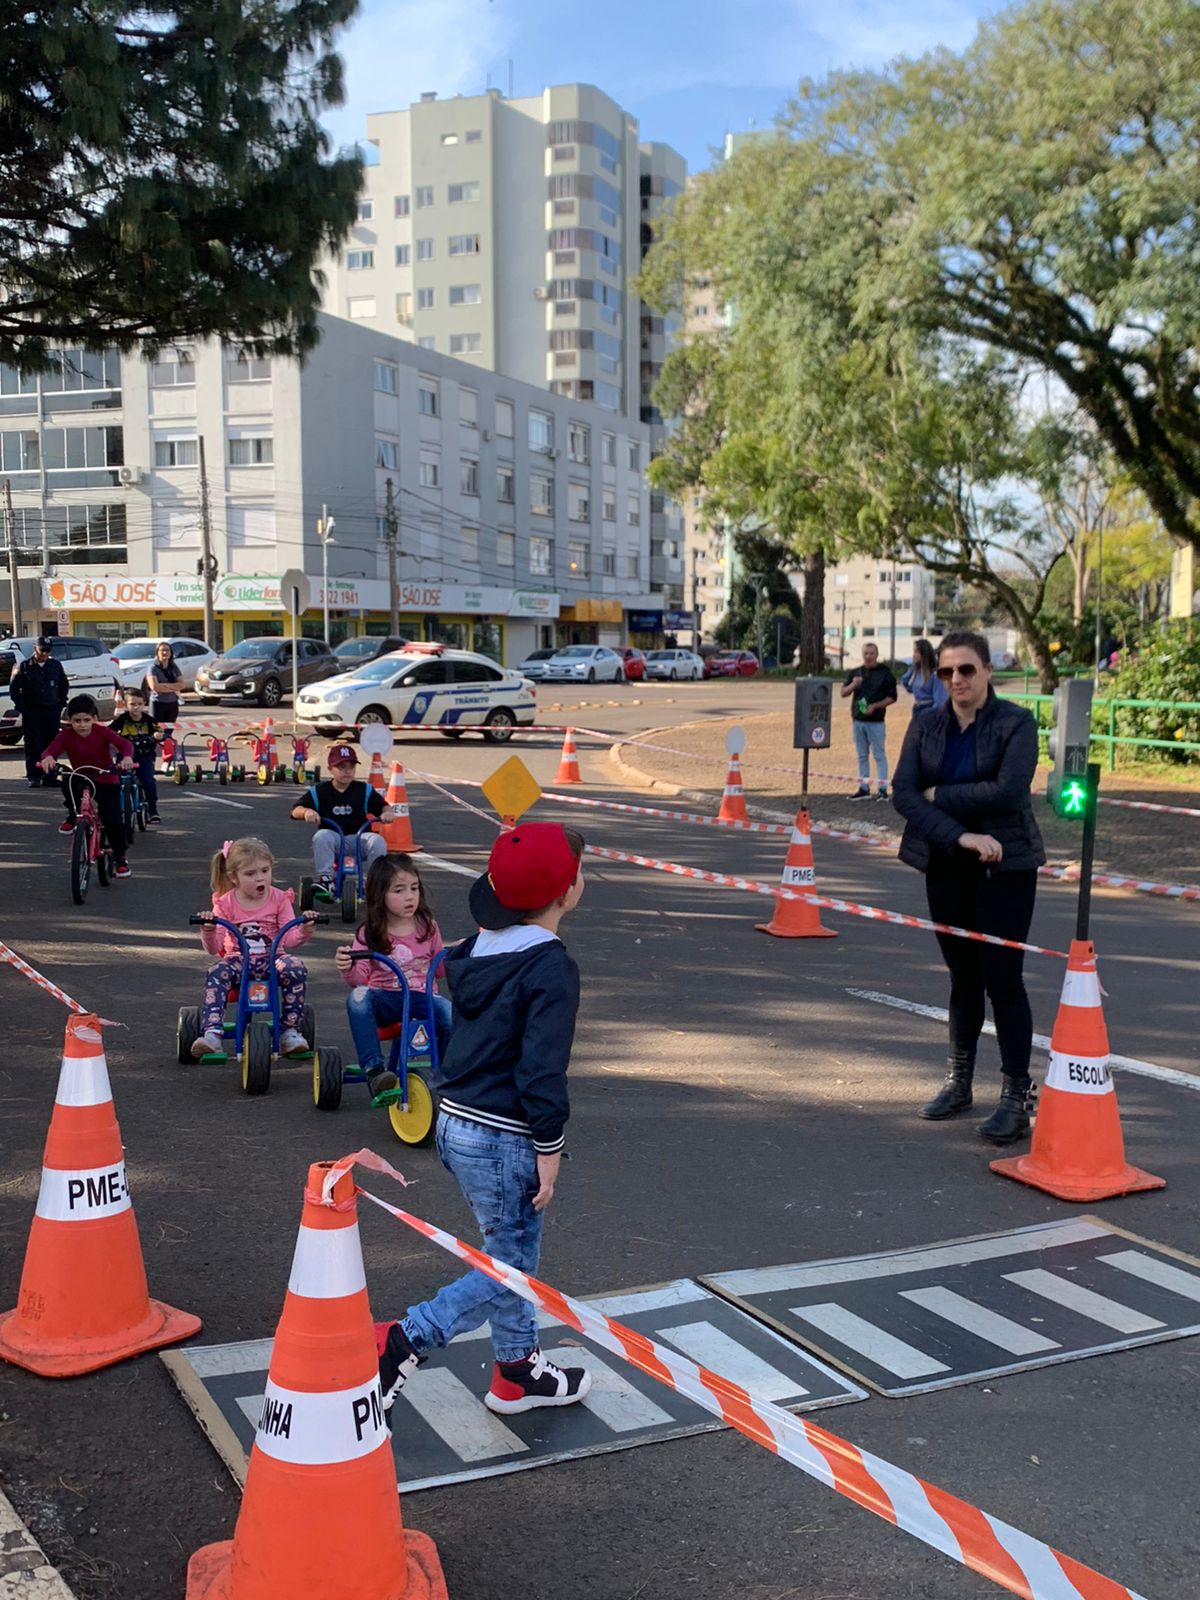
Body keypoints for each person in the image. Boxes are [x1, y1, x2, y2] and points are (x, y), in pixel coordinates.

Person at [375, 821, 592, 1419]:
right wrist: (550, 1147)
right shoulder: (550, 968)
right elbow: (541, 1071)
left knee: (507, 1250)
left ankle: (517, 1370)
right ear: (569, 890)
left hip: (455, 1124)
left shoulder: (473, 951)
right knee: (512, 1268)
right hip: (505, 1136)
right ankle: (407, 1339)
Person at [891, 629, 1045, 1144]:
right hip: (947, 863)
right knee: (962, 977)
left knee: (1004, 980)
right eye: (946, 671)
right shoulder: (927, 725)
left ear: (987, 671)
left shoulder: (1016, 723)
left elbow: (1009, 790)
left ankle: (1015, 1097)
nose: (956, 679)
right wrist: (960, 835)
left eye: (966, 670)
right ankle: (959, 1083)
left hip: (1007, 867)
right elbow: (905, 794)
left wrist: (943, 795)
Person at [336, 854, 452, 1102]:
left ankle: (447, 1074)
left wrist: (453, 955)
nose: (409, 896)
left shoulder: (428, 926)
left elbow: (439, 971)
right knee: (358, 996)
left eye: (414, 888)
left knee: (449, 1012)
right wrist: (347, 966)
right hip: (386, 1000)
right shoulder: (369, 932)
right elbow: (359, 978)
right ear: (380, 896)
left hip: (422, 997)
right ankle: (375, 1070)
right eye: (399, 890)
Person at [192, 837, 316, 1059]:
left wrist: (305, 929)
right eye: (250, 874)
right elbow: (214, 948)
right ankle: (212, 1033)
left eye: (264, 870)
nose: (260, 877)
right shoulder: (225, 903)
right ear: (234, 877)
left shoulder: (279, 899)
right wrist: (209, 929)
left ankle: (289, 1030)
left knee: (295, 967)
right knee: (216, 972)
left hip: (272, 959)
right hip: (239, 960)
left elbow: (288, 940)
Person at [38, 694, 135, 877]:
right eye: (77, 721)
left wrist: (127, 757)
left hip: (105, 778)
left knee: (113, 820)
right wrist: (48, 757)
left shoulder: (103, 732)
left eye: (86, 720)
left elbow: (125, 744)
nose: (82, 725)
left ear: (94, 719)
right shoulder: (65, 736)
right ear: (69, 720)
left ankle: (120, 857)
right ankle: (73, 815)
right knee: (67, 777)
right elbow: (51, 750)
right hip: (82, 776)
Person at [290, 743, 402, 892]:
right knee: (321, 836)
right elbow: (295, 810)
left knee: (377, 841)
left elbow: (382, 806)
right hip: (334, 841)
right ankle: (326, 880)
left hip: (359, 838)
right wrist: (306, 812)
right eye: (341, 767)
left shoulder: (363, 789)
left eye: (351, 767)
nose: (347, 771)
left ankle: (376, 882)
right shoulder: (320, 791)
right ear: (330, 769)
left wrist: (387, 812)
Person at [840, 641, 898, 799]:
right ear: (862, 655)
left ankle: (882, 790)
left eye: (872, 653)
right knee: (861, 755)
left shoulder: (885, 673)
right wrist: (853, 685)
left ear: (877, 655)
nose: (869, 656)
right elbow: (843, 692)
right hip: (858, 721)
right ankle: (864, 788)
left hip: (876, 722)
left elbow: (893, 697)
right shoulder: (855, 673)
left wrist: (876, 706)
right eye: (866, 653)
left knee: (879, 755)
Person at [10, 636, 68, 788]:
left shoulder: (55, 665)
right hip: (32, 711)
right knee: (33, 744)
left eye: (48, 651)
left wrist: (61, 703)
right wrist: (22, 706)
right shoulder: (24, 666)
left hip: (51, 710)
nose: (45, 654)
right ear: (36, 648)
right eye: (43, 650)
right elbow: (15, 689)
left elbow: (63, 685)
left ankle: (50, 776)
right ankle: (34, 776)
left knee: (51, 744)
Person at [110, 686, 163, 824]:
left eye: (139, 704)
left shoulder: (149, 720)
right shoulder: (122, 719)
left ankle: (153, 810)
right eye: (132, 704)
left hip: (144, 755)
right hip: (125, 755)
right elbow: (110, 731)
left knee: (147, 781)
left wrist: (159, 735)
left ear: (144, 704)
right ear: (126, 705)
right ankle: (117, 809)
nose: (136, 707)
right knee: (119, 781)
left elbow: (160, 732)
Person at [900, 639, 948, 720]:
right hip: (917, 708)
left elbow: (940, 701)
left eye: (916, 652)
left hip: (928, 709)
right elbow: (908, 686)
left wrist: (931, 715)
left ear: (924, 654)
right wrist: (912, 669)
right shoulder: (917, 672)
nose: (913, 655)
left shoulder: (935, 674)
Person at [144, 640, 183, 727]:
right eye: (162, 650)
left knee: (169, 730)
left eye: (167, 650)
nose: (165, 652)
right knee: (157, 730)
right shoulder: (153, 668)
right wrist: (173, 687)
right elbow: (154, 686)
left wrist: (165, 685)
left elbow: (181, 685)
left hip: (172, 703)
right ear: (157, 653)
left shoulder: (174, 668)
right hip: (158, 703)